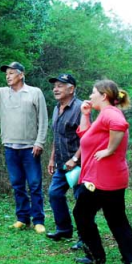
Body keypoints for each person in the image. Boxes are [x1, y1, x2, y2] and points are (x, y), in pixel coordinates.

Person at [73, 80, 132, 264]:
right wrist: (85, 114)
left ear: (104, 96)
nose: (90, 95)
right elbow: (86, 136)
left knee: (82, 214)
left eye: (93, 92)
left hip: (101, 180)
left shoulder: (110, 113)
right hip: (109, 178)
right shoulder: (104, 114)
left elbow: (120, 125)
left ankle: (96, 255)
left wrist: (109, 150)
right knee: (117, 220)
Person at [0, 63, 49, 233]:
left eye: (11, 73)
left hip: (30, 147)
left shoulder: (34, 93)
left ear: (21, 75)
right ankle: (22, 218)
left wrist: (40, 142)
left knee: (34, 184)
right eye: (7, 73)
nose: (8, 76)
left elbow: (43, 120)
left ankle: (38, 220)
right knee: (17, 184)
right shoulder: (2, 93)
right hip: (10, 146)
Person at [45, 73, 83, 249]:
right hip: (61, 163)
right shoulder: (56, 108)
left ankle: (84, 238)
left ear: (71, 89)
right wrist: (52, 158)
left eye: (60, 85)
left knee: (81, 200)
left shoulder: (81, 108)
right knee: (54, 194)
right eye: (55, 86)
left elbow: (88, 138)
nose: (56, 89)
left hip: (79, 164)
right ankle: (64, 229)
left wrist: (75, 159)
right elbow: (57, 136)